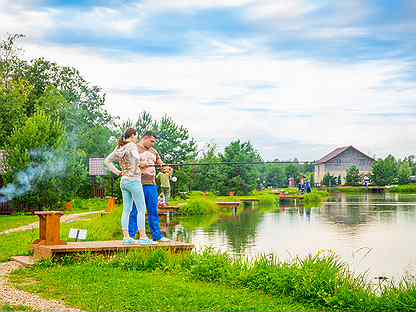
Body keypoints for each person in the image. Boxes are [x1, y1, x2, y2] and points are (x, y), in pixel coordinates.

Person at [104, 128, 156, 245]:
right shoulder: (132, 145)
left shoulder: (119, 147)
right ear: (132, 136)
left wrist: (118, 172)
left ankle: (126, 237)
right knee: (141, 209)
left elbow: (107, 161)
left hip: (123, 181)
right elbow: (136, 159)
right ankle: (143, 237)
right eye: (136, 136)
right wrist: (141, 164)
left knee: (126, 210)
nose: (136, 138)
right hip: (134, 181)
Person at [128, 131, 171, 242]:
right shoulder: (134, 149)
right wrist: (138, 165)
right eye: (152, 141)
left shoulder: (154, 151)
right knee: (135, 211)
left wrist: (166, 168)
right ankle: (131, 237)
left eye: (154, 142)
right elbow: (126, 164)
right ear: (145, 138)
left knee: (153, 211)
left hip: (151, 185)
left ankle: (157, 236)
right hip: (137, 184)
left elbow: (161, 165)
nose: (153, 144)